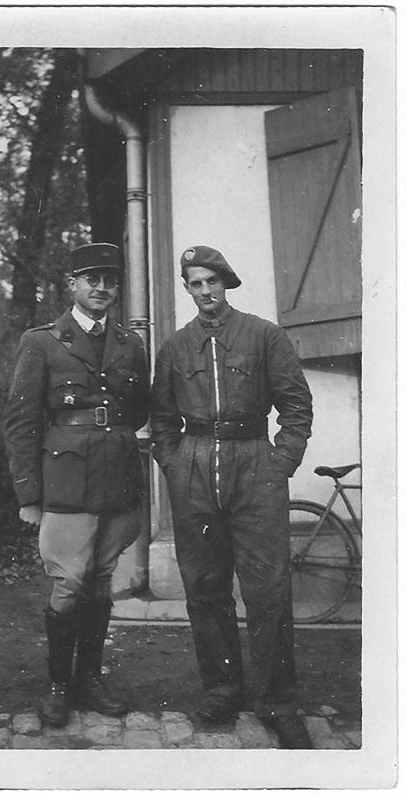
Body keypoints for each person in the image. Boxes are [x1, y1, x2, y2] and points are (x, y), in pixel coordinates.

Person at [150, 245, 313, 749]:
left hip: (253, 464)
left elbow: (295, 407)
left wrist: (278, 464)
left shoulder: (264, 336)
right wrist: (176, 465)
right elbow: (161, 420)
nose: (205, 293)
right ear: (188, 289)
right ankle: (222, 689)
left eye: (211, 282)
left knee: (268, 591)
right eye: (195, 284)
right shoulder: (176, 347)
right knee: (205, 587)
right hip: (195, 468)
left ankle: (278, 702)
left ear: (226, 282)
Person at [3, 243, 149, 726]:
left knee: (102, 581)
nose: (102, 288)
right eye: (92, 279)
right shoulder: (42, 341)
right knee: (68, 583)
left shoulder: (130, 344)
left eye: (110, 280)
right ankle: (58, 686)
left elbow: (139, 411)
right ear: (73, 284)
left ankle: (90, 678)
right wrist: (29, 494)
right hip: (65, 480)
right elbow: (20, 421)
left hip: (118, 479)